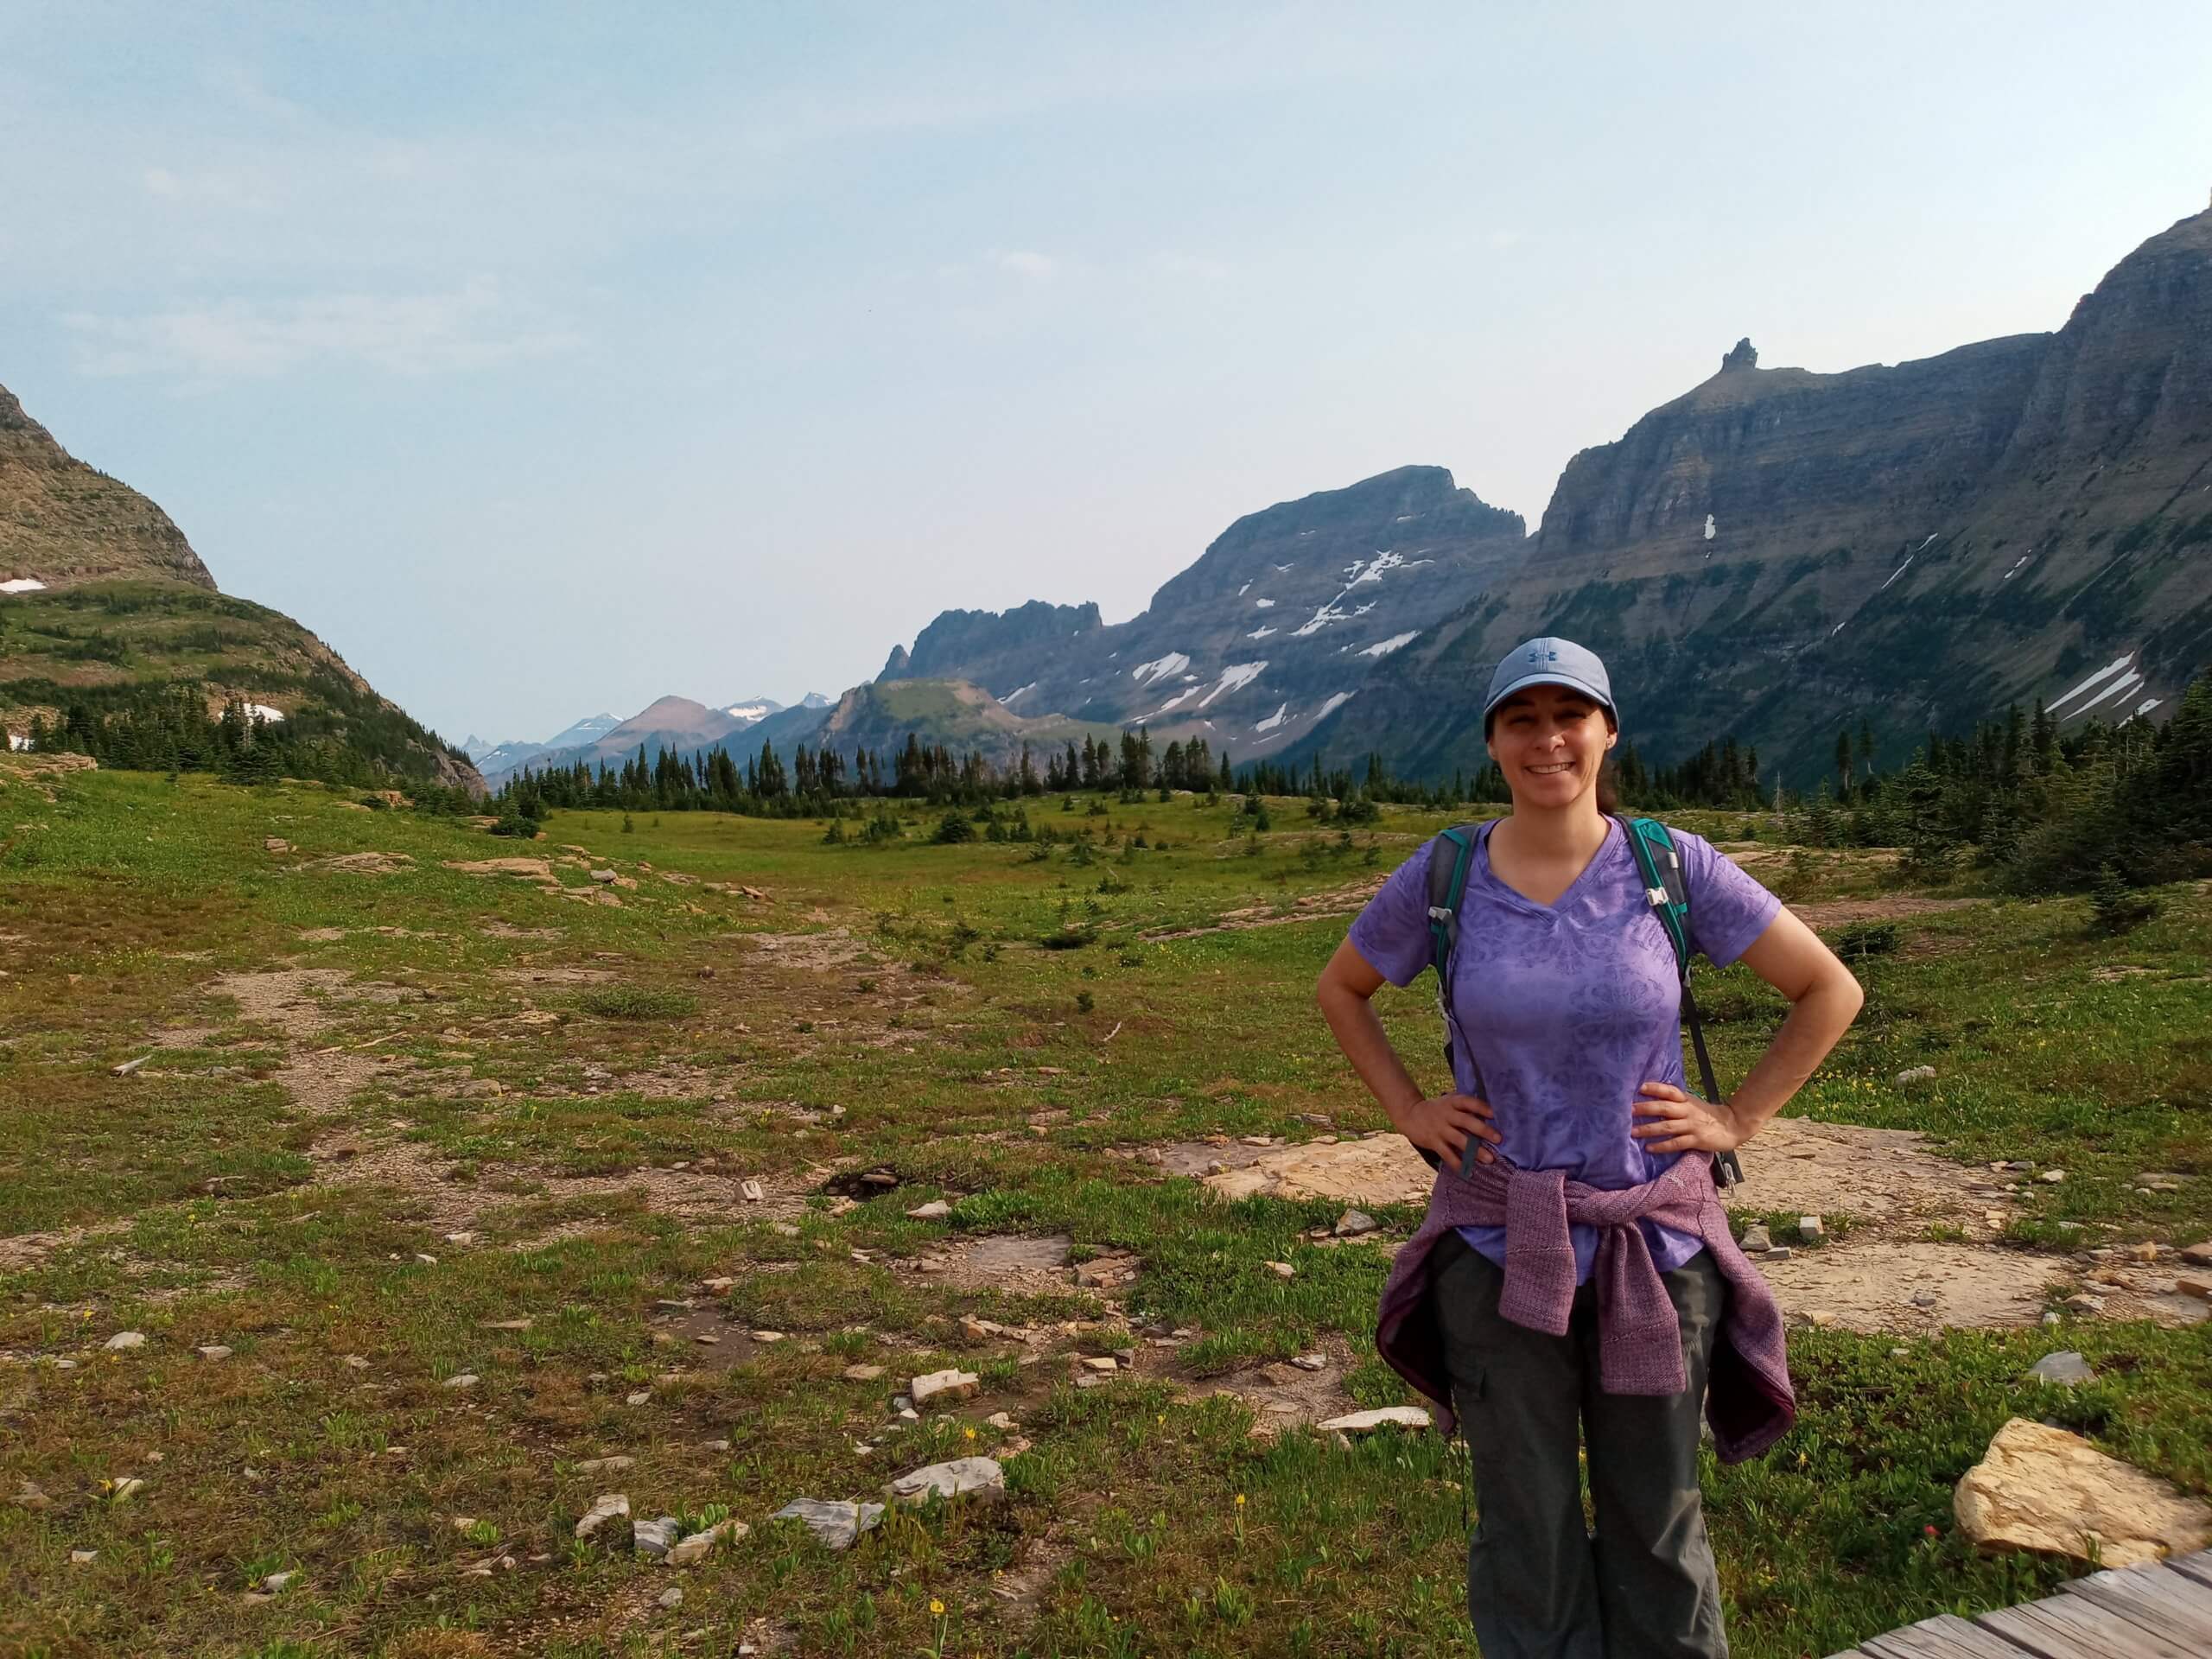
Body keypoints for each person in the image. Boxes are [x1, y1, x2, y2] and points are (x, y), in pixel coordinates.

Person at [1313, 637, 1863, 1659]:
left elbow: (1829, 988)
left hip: (1653, 1246)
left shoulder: (1672, 865)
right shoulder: (1445, 874)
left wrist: (1735, 1119)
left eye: (1570, 714)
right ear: (1491, 742)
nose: (1548, 738)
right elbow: (1341, 990)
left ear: (1608, 732)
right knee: (1525, 1523)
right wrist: (1410, 1110)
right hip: (1493, 1243)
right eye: (1522, 718)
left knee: (1657, 1518)